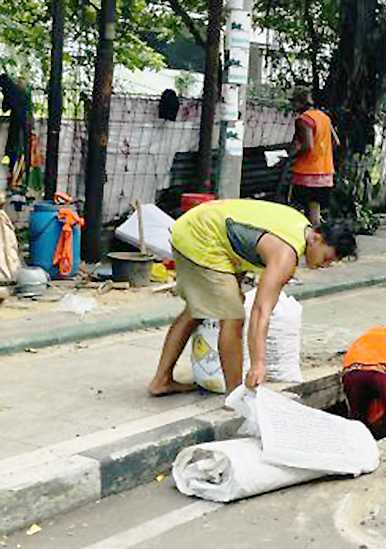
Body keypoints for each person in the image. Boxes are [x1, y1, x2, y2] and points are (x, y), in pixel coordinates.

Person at [147, 199, 357, 396]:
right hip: (202, 236)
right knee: (233, 317)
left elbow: (245, 236)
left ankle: (162, 380)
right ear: (317, 238)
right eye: (327, 257)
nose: (325, 264)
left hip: (205, 228)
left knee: (199, 309)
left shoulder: (300, 226)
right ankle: (235, 396)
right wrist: (259, 364)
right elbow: (261, 311)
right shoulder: (286, 254)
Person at [288, 87, 340, 227]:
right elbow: (336, 142)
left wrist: (292, 156)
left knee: (303, 214)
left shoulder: (303, 120)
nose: (292, 106)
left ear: (300, 102)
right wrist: (322, 152)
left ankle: (310, 242)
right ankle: (318, 240)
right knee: (314, 213)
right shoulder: (323, 117)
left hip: (307, 174)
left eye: (293, 102)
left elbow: (308, 146)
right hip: (325, 174)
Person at [0, 73, 32, 190]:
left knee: (12, 149)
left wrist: (4, 95)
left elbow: (4, 108)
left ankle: (13, 177)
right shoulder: (20, 91)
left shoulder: (9, 91)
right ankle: (20, 178)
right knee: (23, 150)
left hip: (17, 123)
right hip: (26, 123)